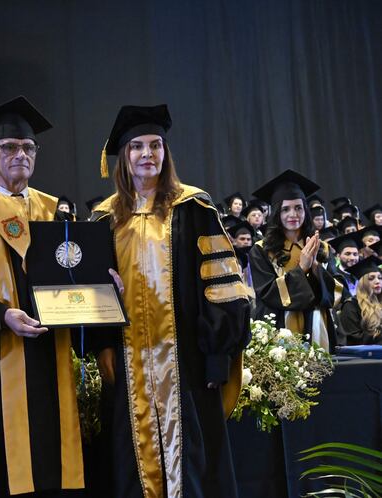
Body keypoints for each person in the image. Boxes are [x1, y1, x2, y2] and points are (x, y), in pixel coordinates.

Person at [94, 104, 250, 498]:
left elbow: (223, 288)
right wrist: (101, 340)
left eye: (155, 145)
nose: (147, 154)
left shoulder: (194, 209)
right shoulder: (104, 219)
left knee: (195, 470)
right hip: (128, 367)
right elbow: (90, 296)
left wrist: (218, 356)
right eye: (137, 147)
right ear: (124, 157)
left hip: (188, 367)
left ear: (165, 153)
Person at [0, 96, 86, 497]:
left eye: (27, 148)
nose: (19, 155)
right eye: (8, 148)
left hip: (48, 358)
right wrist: (0, 316)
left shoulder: (55, 213)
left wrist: (101, 290)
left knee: (52, 460)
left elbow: (75, 279)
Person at [249, 169, 342, 352]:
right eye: (286, 209)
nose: (293, 215)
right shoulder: (261, 250)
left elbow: (338, 290)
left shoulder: (321, 247)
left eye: (298, 208)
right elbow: (268, 293)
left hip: (318, 325)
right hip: (281, 329)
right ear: (276, 213)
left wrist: (315, 268)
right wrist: (302, 268)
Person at [338, 257, 382, 345]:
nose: (377, 281)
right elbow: (354, 339)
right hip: (366, 356)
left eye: (380, 278)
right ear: (363, 283)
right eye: (371, 278)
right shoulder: (351, 306)